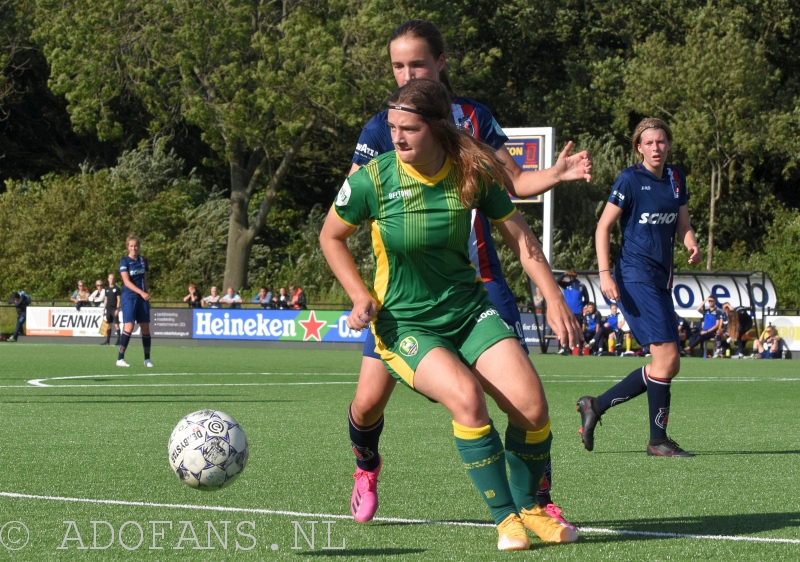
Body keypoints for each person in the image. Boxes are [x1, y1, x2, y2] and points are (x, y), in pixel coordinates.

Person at [343, 19, 591, 530]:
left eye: (416, 63)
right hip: (404, 299)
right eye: (397, 65)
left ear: (440, 64)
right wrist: (360, 292)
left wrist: (557, 176)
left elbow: (515, 182)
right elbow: (350, 205)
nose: (406, 72)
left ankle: (536, 505)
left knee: (524, 401)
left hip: (479, 285)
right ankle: (367, 464)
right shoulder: (383, 127)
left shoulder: (475, 118)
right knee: (367, 406)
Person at [576, 117, 702, 458]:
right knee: (667, 359)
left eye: (661, 142)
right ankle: (657, 441)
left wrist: (691, 242)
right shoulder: (630, 180)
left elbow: (684, 225)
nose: (656, 148)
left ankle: (595, 405)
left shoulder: (676, 179)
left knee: (668, 365)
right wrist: (604, 274)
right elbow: (603, 227)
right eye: (649, 143)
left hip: (660, 280)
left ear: (669, 145)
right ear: (638, 148)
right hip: (633, 277)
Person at [117, 235, 153, 368]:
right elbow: (126, 281)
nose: (134, 248)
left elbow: (144, 278)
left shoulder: (143, 260)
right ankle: (120, 358)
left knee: (145, 327)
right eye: (131, 246)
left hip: (142, 298)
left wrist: (146, 293)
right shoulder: (124, 262)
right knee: (129, 326)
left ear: (139, 246)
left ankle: (147, 359)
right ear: (128, 247)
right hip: (129, 297)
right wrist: (141, 292)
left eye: (136, 245)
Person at [556, 270, 589, 355]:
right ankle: (567, 349)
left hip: (578, 312)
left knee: (579, 330)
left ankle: (580, 350)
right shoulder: (566, 285)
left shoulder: (581, 286)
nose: (572, 277)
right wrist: (564, 273)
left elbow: (586, 299)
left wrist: (580, 305)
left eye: (573, 275)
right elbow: (557, 281)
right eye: (570, 276)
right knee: (568, 330)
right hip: (568, 312)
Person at [101, 273, 121, 346]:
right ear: (108, 279)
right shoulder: (106, 289)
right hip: (108, 309)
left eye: (113, 278)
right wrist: (104, 309)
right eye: (110, 278)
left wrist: (117, 309)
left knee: (116, 325)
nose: (111, 280)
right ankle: (108, 341)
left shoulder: (117, 289)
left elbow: (118, 299)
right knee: (109, 325)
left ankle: (119, 340)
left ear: (114, 279)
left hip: (114, 309)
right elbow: (106, 299)